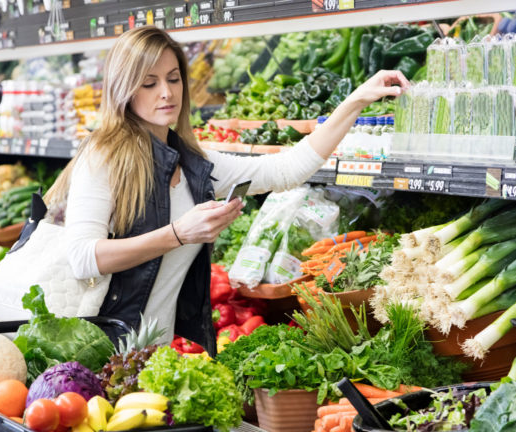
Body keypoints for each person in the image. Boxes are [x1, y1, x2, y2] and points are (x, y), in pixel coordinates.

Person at [44, 26, 409, 354]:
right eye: (149, 83)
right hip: (99, 350)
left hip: (153, 355)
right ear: (124, 88)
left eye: (173, 79)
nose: (167, 93)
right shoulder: (104, 155)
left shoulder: (193, 163)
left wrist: (357, 101)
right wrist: (178, 234)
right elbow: (84, 257)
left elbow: (286, 169)